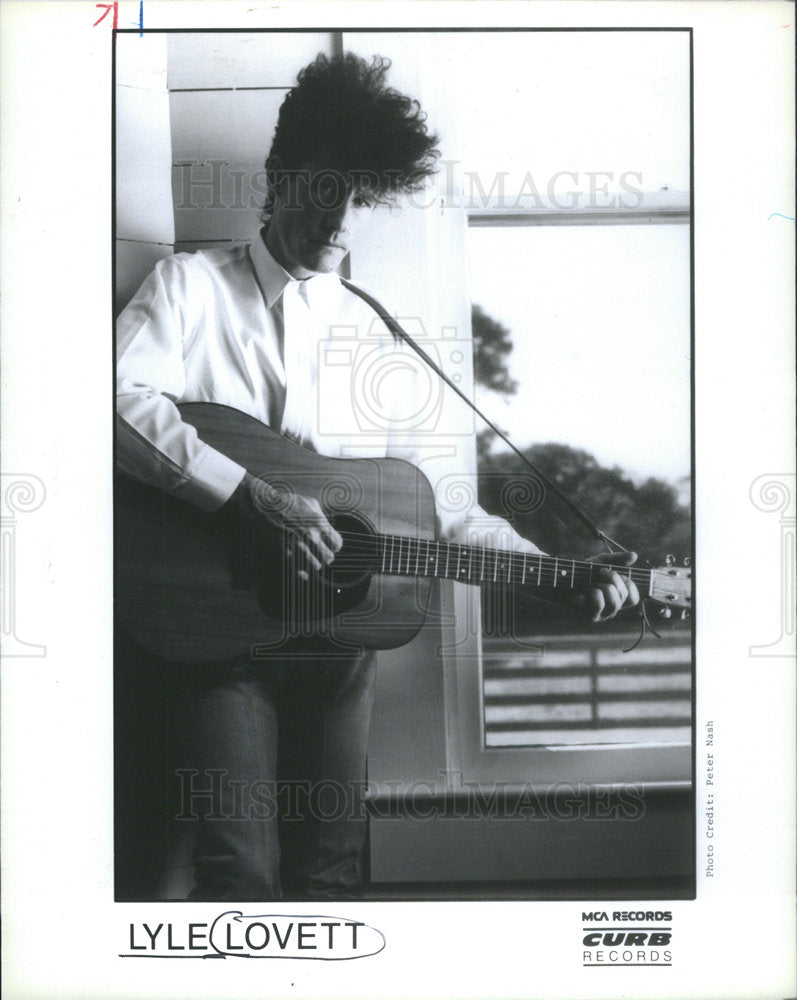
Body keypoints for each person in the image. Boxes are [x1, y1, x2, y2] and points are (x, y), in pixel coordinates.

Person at [115, 52, 639, 902]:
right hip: (216, 644)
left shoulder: (381, 335)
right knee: (236, 875)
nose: (343, 216)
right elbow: (112, 403)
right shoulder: (187, 289)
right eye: (326, 187)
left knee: (333, 873)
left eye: (362, 197)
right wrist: (251, 496)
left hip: (340, 651)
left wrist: (552, 574)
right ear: (281, 177)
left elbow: (445, 506)